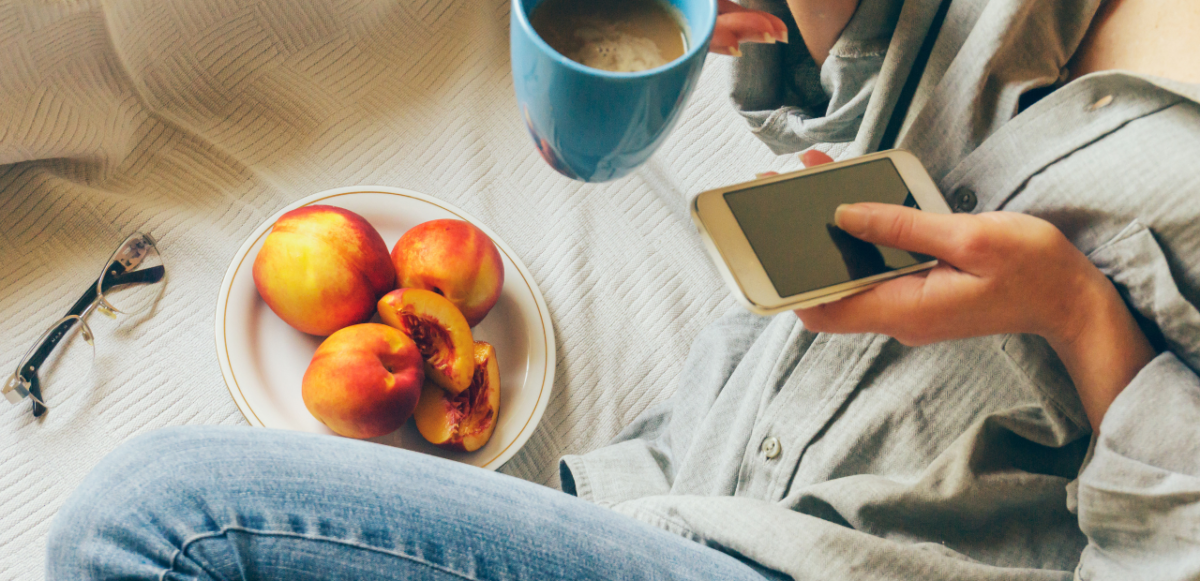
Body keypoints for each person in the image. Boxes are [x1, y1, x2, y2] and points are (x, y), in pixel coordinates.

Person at [46, 0, 1200, 579]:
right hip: (660, 487)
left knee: (156, 514)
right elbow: (891, 124)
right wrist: (818, 17)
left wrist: (1079, 314)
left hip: (807, 558)